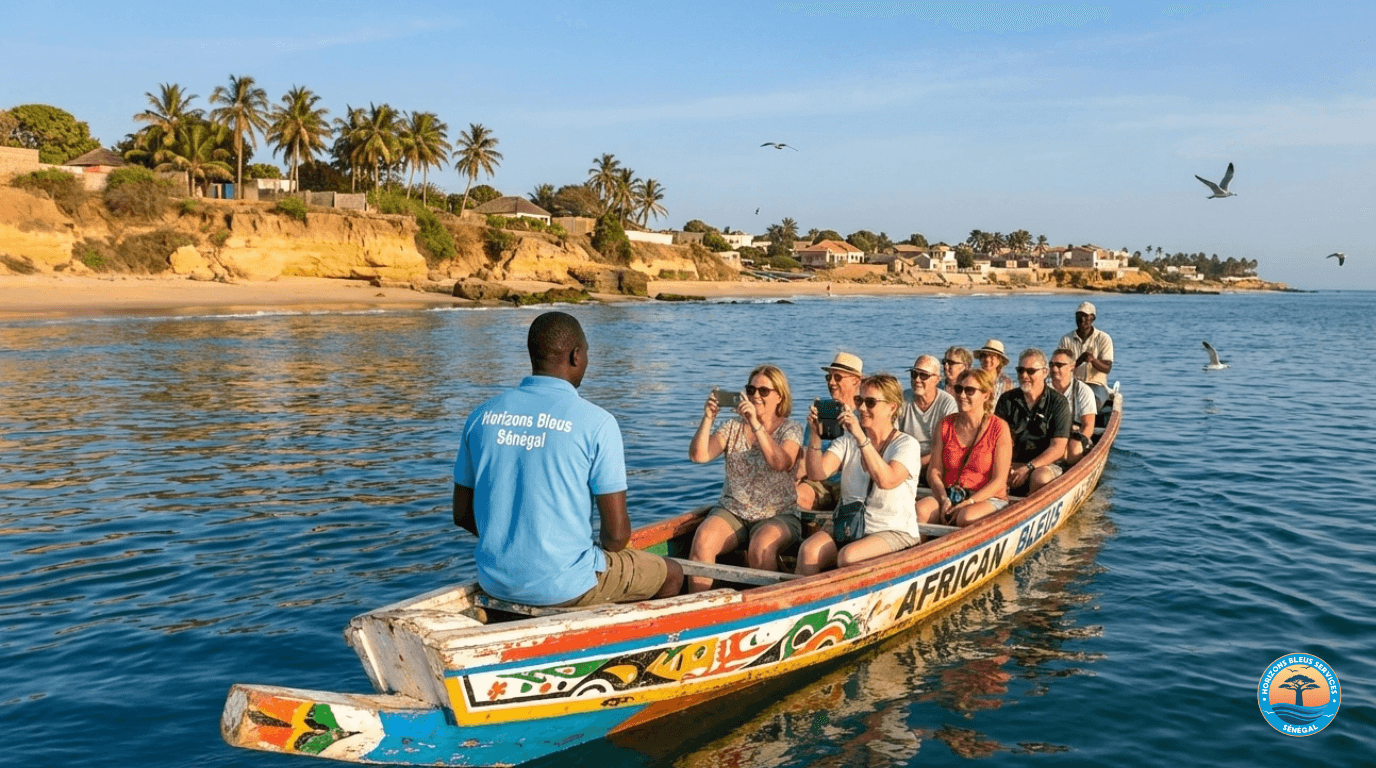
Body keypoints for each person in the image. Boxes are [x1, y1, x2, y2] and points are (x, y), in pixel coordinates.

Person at [452, 311, 683, 607]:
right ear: (576, 356)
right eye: (586, 352)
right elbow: (616, 537)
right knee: (672, 573)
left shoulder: (481, 416)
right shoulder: (598, 422)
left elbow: (462, 515)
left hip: (495, 582)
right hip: (566, 587)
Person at [686, 365, 803, 592]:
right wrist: (708, 418)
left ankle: (770, 606)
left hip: (778, 513)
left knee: (761, 547)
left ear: (780, 396)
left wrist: (756, 425)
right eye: (751, 390)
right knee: (703, 540)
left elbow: (781, 463)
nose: (755, 396)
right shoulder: (732, 427)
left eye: (763, 391)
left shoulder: (791, 429)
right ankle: (698, 603)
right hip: (734, 510)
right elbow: (698, 456)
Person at [796, 374, 923, 575]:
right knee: (808, 550)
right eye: (859, 400)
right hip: (849, 525)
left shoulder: (906, 445)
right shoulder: (848, 440)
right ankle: (802, 594)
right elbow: (817, 473)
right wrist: (815, 436)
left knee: (848, 556)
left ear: (892, 407)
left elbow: (886, 480)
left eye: (870, 402)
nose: (862, 408)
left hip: (892, 530)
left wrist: (861, 437)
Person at [917, 368, 1013, 527]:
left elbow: (999, 480)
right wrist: (943, 498)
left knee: (965, 517)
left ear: (985, 395)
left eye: (969, 390)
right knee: (921, 510)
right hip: (950, 495)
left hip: (986, 498)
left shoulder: (999, 428)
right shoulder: (945, 425)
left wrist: (970, 502)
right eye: (958, 389)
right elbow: (934, 471)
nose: (962, 395)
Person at [994, 348, 1071, 496]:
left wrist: (1029, 467)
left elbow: (1058, 448)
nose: (1024, 375)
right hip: (1012, 462)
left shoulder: (1058, 403)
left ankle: (1031, 507)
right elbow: (998, 439)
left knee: (1040, 476)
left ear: (1045, 372)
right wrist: (1005, 466)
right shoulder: (1006, 400)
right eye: (1020, 370)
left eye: (1030, 371)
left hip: (1044, 465)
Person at [795, 352, 865, 513]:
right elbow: (805, 457)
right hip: (819, 481)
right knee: (796, 496)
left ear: (856, 380)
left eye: (838, 377)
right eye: (829, 377)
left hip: (851, 482)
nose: (831, 382)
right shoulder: (822, 411)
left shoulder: (865, 414)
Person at [897, 354, 957, 482]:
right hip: (905, 460)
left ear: (937, 379)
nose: (917, 379)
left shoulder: (947, 403)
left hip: (936, 462)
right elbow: (891, 435)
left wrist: (918, 463)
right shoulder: (902, 399)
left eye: (923, 375)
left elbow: (949, 446)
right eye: (914, 374)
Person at [1059, 301, 1114, 408]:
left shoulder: (1104, 338)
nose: (1082, 319)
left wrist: (1093, 360)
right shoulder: (1066, 339)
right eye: (1079, 315)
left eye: (1085, 316)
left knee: (1092, 403)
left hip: (1096, 384)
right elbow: (1061, 368)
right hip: (1072, 384)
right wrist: (1080, 360)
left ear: (1093, 318)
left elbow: (1107, 368)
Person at [1049, 347, 1096, 465]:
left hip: (1073, 436)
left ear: (1072, 367)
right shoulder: (1044, 389)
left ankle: (1071, 469)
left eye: (1059, 365)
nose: (1054, 369)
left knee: (1074, 447)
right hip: (1049, 435)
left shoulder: (1083, 391)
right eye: (1051, 365)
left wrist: (1078, 441)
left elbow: (1088, 425)